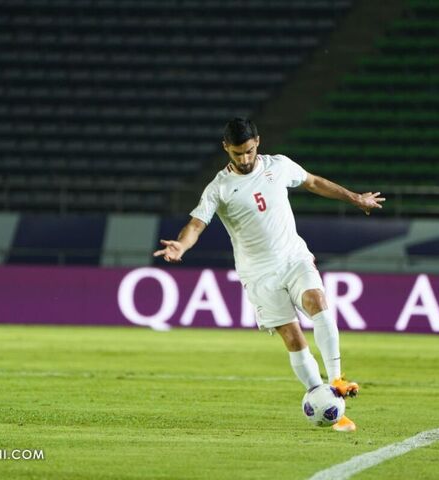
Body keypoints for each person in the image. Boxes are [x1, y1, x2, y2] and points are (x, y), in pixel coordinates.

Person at [153, 118, 385, 431]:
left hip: (293, 257)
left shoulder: (280, 166)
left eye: (248, 151)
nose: (244, 159)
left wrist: (356, 198)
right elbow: (197, 224)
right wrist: (181, 245)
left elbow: (314, 182)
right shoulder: (219, 188)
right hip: (259, 274)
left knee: (318, 301)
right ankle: (328, 403)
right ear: (226, 148)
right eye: (237, 153)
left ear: (257, 142)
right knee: (293, 336)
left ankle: (337, 379)